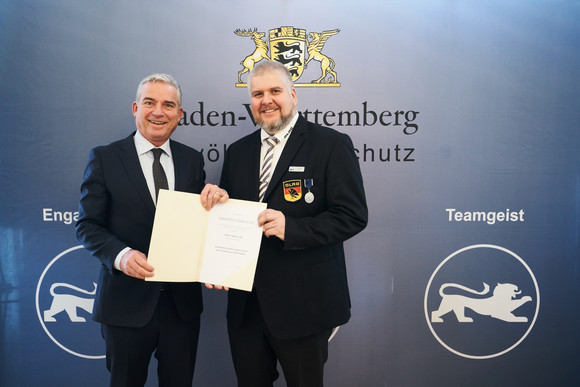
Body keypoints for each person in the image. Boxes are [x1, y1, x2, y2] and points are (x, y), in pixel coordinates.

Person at [216, 60, 368, 387]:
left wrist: (293, 229)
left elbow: (353, 215)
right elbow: (229, 219)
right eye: (257, 93)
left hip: (304, 305)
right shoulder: (237, 152)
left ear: (293, 95)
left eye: (275, 91)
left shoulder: (330, 144)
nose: (266, 100)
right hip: (246, 307)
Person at [75, 73, 226, 386]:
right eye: (150, 102)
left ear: (179, 114)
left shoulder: (191, 160)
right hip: (125, 306)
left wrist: (219, 204)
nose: (159, 111)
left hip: (181, 307)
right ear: (135, 108)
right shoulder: (105, 158)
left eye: (168, 104)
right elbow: (88, 225)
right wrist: (122, 255)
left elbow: (197, 223)